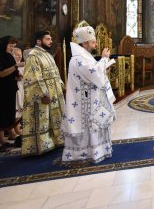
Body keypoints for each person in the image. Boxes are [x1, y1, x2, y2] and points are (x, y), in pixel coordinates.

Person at [61, 25, 116, 165]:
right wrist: (104, 59)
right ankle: (85, 153)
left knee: (96, 123)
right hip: (84, 102)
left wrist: (104, 69)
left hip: (93, 99)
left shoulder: (85, 57)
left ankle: (99, 150)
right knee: (88, 125)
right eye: (93, 42)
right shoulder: (78, 59)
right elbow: (93, 73)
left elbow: (95, 74)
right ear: (85, 43)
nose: (96, 44)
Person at [22, 31, 65, 156]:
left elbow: (56, 72)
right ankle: (41, 145)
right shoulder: (33, 56)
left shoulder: (47, 54)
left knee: (54, 118)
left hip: (55, 93)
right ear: (38, 41)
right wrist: (43, 94)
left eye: (51, 38)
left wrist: (61, 85)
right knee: (43, 120)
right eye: (47, 39)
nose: (51, 41)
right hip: (44, 95)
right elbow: (34, 77)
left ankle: (55, 141)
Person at [0, 36, 22, 151]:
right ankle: (2, 141)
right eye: (10, 46)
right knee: (1, 114)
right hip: (2, 90)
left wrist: (18, 75)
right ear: (4, 45)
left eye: (14, 47)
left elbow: (14, 71)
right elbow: (2, 73)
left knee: (8, 114)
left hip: (10, 89)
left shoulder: (9, 56)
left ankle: (3, 141)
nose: (12, 49)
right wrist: (16, 66)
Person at [12, 47, 24, 137]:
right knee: (14, 111)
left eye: (20, 55)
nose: (18, 57)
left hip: (22, 89)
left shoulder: (23, 65)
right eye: (16, 55)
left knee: (20, 111)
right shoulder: (11, 66)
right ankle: (12, 130)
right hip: (14, 90)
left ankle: (18, 128)